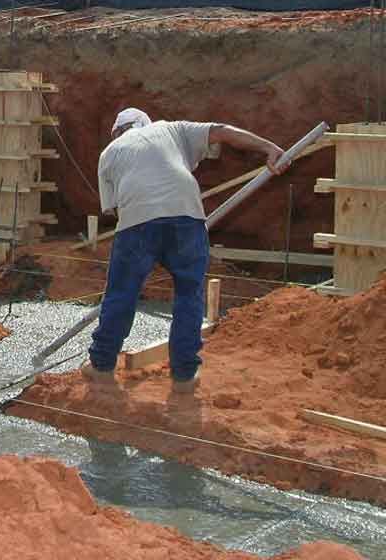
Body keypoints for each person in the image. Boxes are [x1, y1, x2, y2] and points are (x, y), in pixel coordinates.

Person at [84, 108, 288, 392]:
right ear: (146, 123)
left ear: (118, 132)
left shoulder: (109, 152)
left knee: (121, 294)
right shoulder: (170, 129)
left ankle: (102, 368)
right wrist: (269, 147)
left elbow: (117, 210)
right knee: (189, 295)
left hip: (137, 223)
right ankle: (184, 377)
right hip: (188, 217)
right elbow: (221, 129)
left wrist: (146, 237)